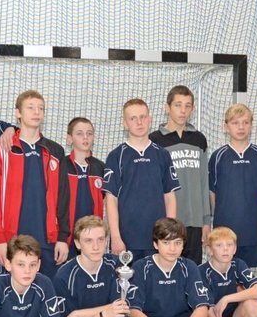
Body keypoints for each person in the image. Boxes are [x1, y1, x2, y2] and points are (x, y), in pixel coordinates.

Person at [128, 218, 219, 317]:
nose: (172, 248)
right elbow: (133, 311)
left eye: (177, 243)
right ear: (155, 244)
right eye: (166, 242)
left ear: (183, 245)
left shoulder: (189, 266)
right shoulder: (141, 267)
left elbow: (201, 307)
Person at [0, 90, 69, 280]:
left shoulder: (55, 150)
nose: (37, 112)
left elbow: (63, 197)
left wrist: (63, 238)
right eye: (31, 108)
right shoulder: (3, 149)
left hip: (48, 238)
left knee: (47, 290)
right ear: (18, 113)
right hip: (13, 238)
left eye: (41, 108)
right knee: (13, 292)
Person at [104, 98, 180, 260]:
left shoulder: (162, 154)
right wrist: (115, 237)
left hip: (158, 239)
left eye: (143, 117)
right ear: (125, 124)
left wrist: (170, 233)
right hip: (126, 239)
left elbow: (169, 196)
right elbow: (111, 199)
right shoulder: (116, 156)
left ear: (150, 119)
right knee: (126, 277)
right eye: (133, 118)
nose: (139, 122)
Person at [149, 85, 211, 264]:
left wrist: (206, 221)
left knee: (192, 271)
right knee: (166, 270)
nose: (183, 110)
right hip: (168, 221)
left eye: (187, 105)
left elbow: (203, 182)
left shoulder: (199, 139)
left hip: (195, 223)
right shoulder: (154, 140)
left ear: (193, 109)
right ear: (167, 107)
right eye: (178, 105)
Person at [208, 104, 257, 268]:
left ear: (251, 125)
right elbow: (213, 194)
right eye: (235, 123)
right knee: (224, 274)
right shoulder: (217, 157)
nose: (241, 127)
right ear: (226, 127)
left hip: (252, 231)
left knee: (247, 276)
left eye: (245, 122)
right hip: (224, 232)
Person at [59, 118, 105, 258]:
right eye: (79, 133)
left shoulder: (101, 167)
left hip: (92, 238)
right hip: (66, 237)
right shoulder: (62, 166)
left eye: (89, 133)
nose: (85, 137)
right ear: (69, 139)